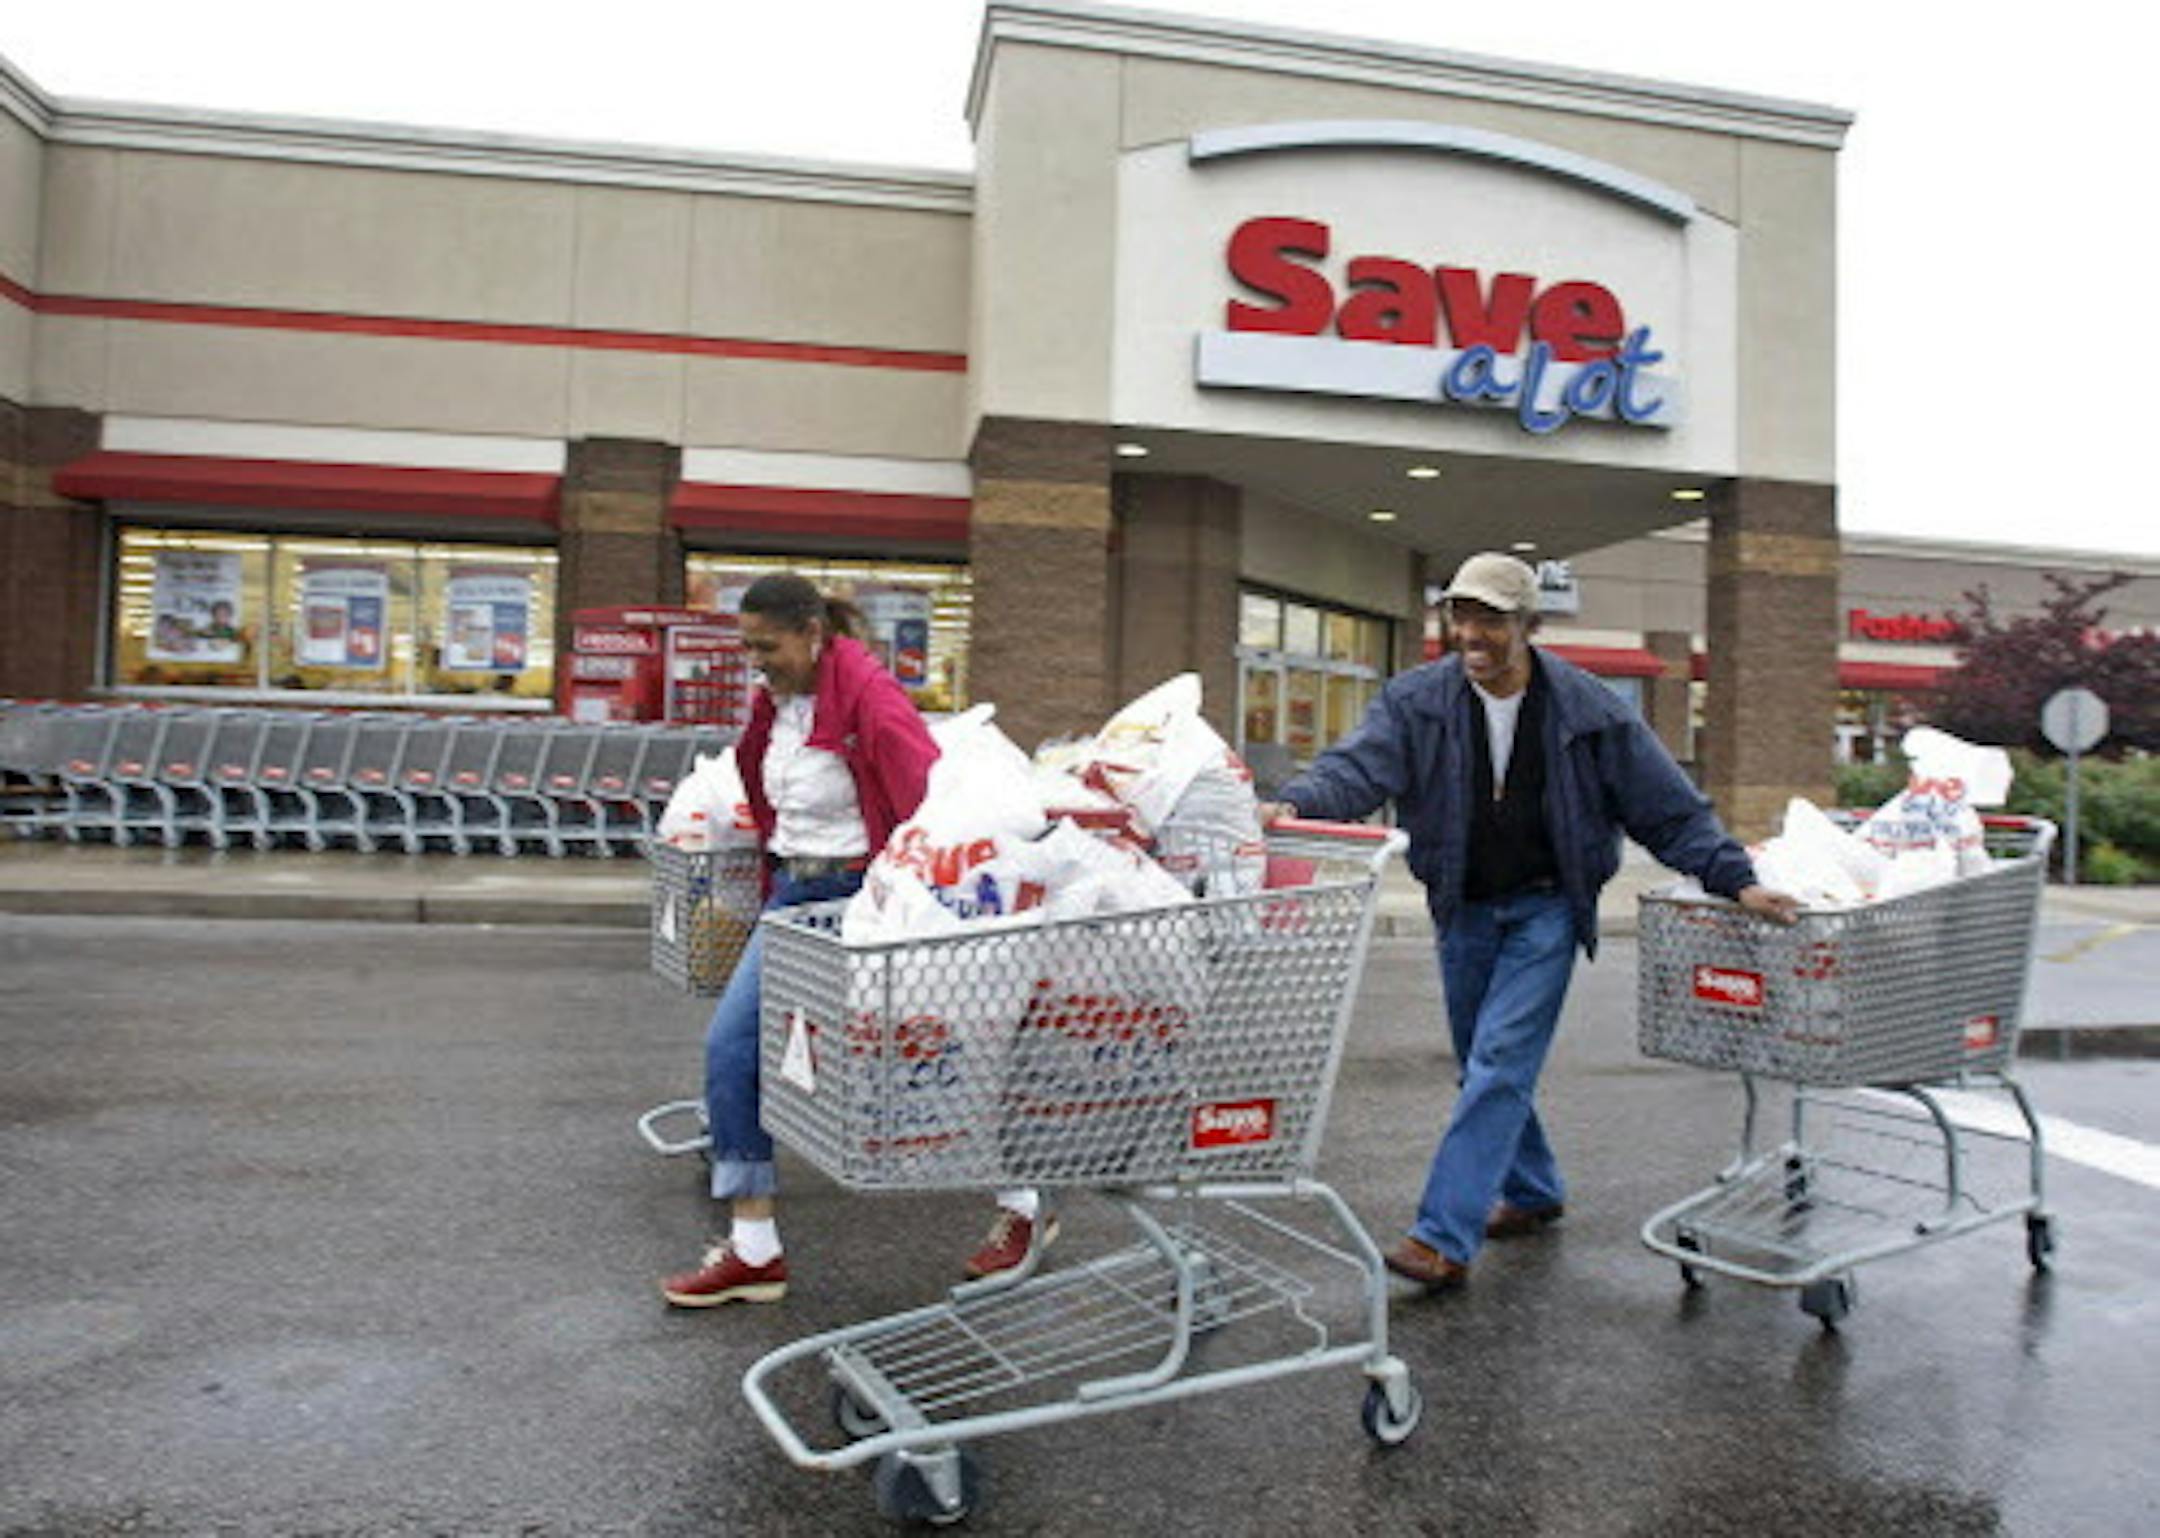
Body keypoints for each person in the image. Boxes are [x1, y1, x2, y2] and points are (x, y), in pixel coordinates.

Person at [1260, 552, 1798, 1294]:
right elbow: (1357, 769)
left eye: (1491, 619)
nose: (1472, 633)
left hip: (1547, 906)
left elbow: (1668, 810)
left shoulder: (1593, 712)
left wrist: (1737, 881)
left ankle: (1441, 1237)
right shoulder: (1417, 701)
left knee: (1502, 1059)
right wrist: (1299, 804)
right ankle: (1536, 1188)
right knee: (1482, 1063)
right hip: (1464, 905)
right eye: (1461, 616)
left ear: (1529, 626)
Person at [659, 572, 1051, 1308]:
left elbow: (926, 805)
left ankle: (1025, 1202)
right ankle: (753, 1248)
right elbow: (762, 788)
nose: (756, 660)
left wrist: (917, 905)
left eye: (767, 646)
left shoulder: (869, 698)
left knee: (938, 1055)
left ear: (812, 634)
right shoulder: (775, 704)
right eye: (748, 647)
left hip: (861, 897)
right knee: (733, 1049)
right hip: (794, 894)